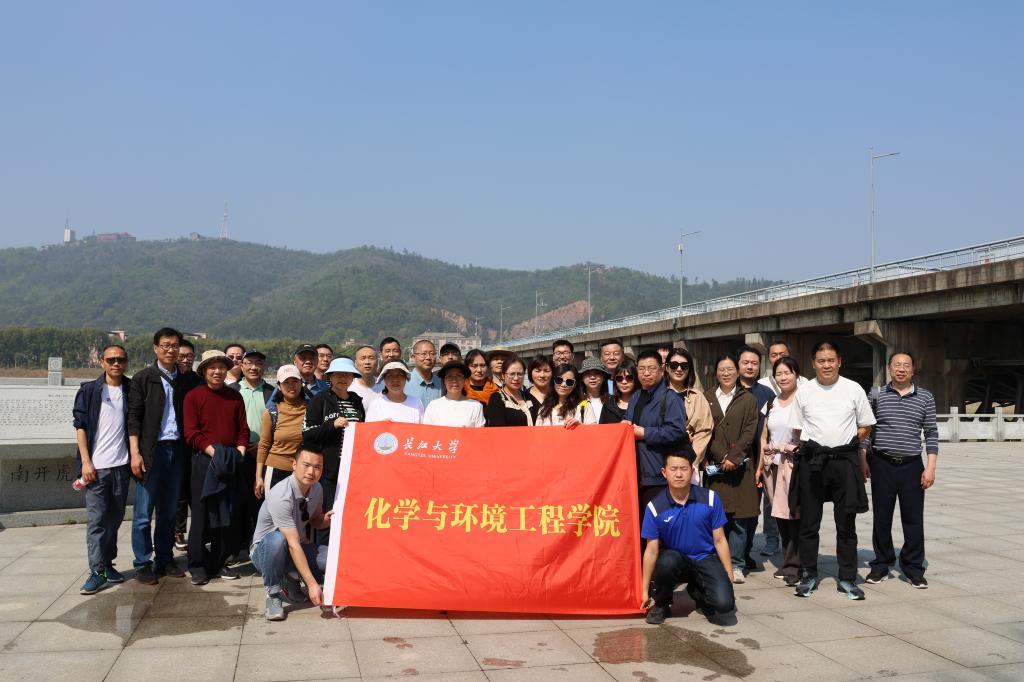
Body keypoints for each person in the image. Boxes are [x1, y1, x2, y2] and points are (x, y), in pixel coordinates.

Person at [789, 341, 875, 600]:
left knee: (846, 523)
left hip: (844, 462)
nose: (826, 365)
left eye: (830, 360)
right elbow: (797, 428)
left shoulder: (853, 388)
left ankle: (847, 577)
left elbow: (866, 424)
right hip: (813, 461)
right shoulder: (804, 391)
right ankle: (808, 574)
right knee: (809, 523)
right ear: (813, 363)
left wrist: (849, 443)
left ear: (839, 362)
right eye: (821, 360)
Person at [127, 327, 200, 584]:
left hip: (178, 451)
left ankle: (165, 558)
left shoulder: (187, 380)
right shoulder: (143, 378)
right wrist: (135, 453)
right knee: (143, 514)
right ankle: (142, 563)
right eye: (166, 345)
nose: (171, 350)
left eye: (175, 345)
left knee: (169, 511)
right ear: (156, 348)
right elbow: (133, 418)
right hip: (151, 452)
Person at [865, 351, 939, 589]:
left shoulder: (925, 397)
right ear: (889, 368)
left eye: (906, 365)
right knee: (881, 517)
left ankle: (913, 567)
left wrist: (930, 467)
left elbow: (931, 433)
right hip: (882, 464)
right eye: (897, 365)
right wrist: (862, 459)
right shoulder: (877, 394)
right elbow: (866, 429)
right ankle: (881, 563)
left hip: (912, 466)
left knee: (913, 519)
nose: (901, 369)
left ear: (913, 370)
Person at [641, 451, 736, 625]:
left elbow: (720, 540)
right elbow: (651, 551)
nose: (679, 474)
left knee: (725, 605)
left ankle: (699, 592)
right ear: (664, 472)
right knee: (666, 561)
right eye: (673, 469)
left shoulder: (710, 498)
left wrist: (729, 575)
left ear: (692, 471)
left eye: (684, 469)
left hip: (705, 558)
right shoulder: (654, 507)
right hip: (675, 560)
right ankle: (662, 603)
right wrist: (644, 590)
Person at [183, 350, 249, 585]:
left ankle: (219, 562)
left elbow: (243, 429)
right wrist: (214, 453)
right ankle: (197, 565)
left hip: (230, 458)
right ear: (204, 371)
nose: (217, 371)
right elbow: (191, 432)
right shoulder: (194, 396)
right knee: (201, 514)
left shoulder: (234, 397)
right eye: (212, 367)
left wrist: (239, 452)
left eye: (221, 367)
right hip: (205, 460)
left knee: (226, 513)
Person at [73, 344, 133, 594]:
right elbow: (80, 427)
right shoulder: (89, 390)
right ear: (102, 362)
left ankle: (107, 563)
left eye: (120, 359)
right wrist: (86, 462)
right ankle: (96, 571)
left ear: (126, 362)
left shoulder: (131, 389)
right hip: (96, 468)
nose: (116, 363)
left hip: (122, 466)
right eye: (111, 360)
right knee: (97, 521)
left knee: (115, 519)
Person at [250, 447, 333, 621]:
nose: (311, 472)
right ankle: (273, 594)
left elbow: (314, 520)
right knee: (277, 540)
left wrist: (325, 520)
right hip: (266, 553)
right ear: (294, 465)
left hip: (296, 546)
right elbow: (292, 544)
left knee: (332, 559)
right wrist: (312, 585)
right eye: (306, 465)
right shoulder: (281, 495)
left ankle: (290, 577)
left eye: (317, 467)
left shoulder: (317, 488)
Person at [704, 354, 760, 583]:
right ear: (716, 373)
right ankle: (718, 561)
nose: (726, 373)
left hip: (741, 467)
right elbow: (704, 429)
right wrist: (721, 455)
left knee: (740, 519)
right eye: (722, 369)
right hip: (716, 467)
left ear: (737, 372)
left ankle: (737, 564)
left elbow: (750, 430)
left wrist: (735, 457)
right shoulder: (706, 397)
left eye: (730, 369)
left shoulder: (748, 399)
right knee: (718, 517)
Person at [303, 357, 365, 545]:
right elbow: (307, 434)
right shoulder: (319, 400)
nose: (343, 378)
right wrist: (332, 425)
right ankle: (324, 556)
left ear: (353, 378)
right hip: (328, 471)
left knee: (349, 512)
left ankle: (345, 551)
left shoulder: (356, 400)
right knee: (328, 513)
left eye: (347, 375)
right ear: (330, 377)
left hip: (352, 469)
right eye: (338, 375)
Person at [625, 350, 688, 514]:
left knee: (660, 524)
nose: (646, 373)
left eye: (651, 368)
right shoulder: (635, 397)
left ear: (662, 369)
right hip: (635, 475)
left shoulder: (671, 398)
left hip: (658, 476)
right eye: (642, 369)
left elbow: (677, 431)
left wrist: (645, 433)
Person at [226, 349, 273, 564]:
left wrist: (263, 445)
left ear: (264, 367)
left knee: (260, 503)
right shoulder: (232, 391)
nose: (254, 367)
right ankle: (235, 547)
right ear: (242, 366)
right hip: (239, 454)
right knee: (236, 502)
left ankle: (259, 547)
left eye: (259, 363)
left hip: (264, 455)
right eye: (249, 363)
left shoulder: (272, 392)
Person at [759, 356, 802, 586]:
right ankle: (788, 562)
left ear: (796, 374)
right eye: (779, 374)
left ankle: (795, 565)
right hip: (774, 465)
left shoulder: (803, 400)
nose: (783, 377)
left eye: (788, 373)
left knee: (794, 515)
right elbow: (764, 435)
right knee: (780, 516)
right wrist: (761, 466)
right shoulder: (772, 402)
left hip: (795, 465)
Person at [737, 345, 780, 559]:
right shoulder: (728, 389)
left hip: (761, 457)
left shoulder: (767, 393)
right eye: (745, 362)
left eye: (754, 363)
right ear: (738, 365)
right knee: (736, 508)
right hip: (735, 457)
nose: (750, 367)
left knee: (757, 506)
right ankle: (735, 551)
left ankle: (750, 549)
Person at [256, 364, 313, 498]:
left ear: (301, 383)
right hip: (275, 471)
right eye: (286, 382)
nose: (291, 386)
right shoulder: (271, 412)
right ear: (279, 386)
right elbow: (263, 446)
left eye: (295, 381)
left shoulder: (312, 409)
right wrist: (258, 477)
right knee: (274, 509)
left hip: (303, 471)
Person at [664, 349, 714, 469]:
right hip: (658, 460)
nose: (679, 369)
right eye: (674, 365)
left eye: (684, 366)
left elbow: (704, 430)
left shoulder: (697, 396)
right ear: (666, 367)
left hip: (688, 463)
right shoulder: (657, 394)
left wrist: (691, 461)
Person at [173, 339, 198, 551]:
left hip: (196, 444)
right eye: (182, 356)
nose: (186, 360)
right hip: (174, 443)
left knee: (195, 489)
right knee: (179, 490)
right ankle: (178, 530)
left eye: (189, 356)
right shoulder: (169, 379)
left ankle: (199, 531)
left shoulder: (199, 381)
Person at [423, 361, 486, 427]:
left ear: (464, 380)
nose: (454, 380)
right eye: (449, 376)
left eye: (459, 376)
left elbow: (479, 432)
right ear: (444, 380)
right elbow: (427, 431)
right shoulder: (433, 406)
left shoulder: (476, 406)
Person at [484, 355, 534, 426]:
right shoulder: (497, 398)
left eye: (520, 374)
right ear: (503, 375)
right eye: (512, 374)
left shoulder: (528, 396)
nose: (516, 378)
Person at [406, 339, 443, 408]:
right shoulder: (404, 382)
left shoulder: (442, 383)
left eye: (432, 354)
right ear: (413, 357)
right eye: (424, 354)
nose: (428, 357)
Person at [577, 357, 610, 424]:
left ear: (603, 377)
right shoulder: (575, 402)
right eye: (588, 373)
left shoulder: (612, 401)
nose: (592, 377)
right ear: (582, 378)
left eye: (597, 373)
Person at [350, 344, 380, 409]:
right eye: (363, 358)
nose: (367, 362)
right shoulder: (348, 387)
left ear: (377, 362)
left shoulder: (386, 386)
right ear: (355, 363)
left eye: (371, 358)